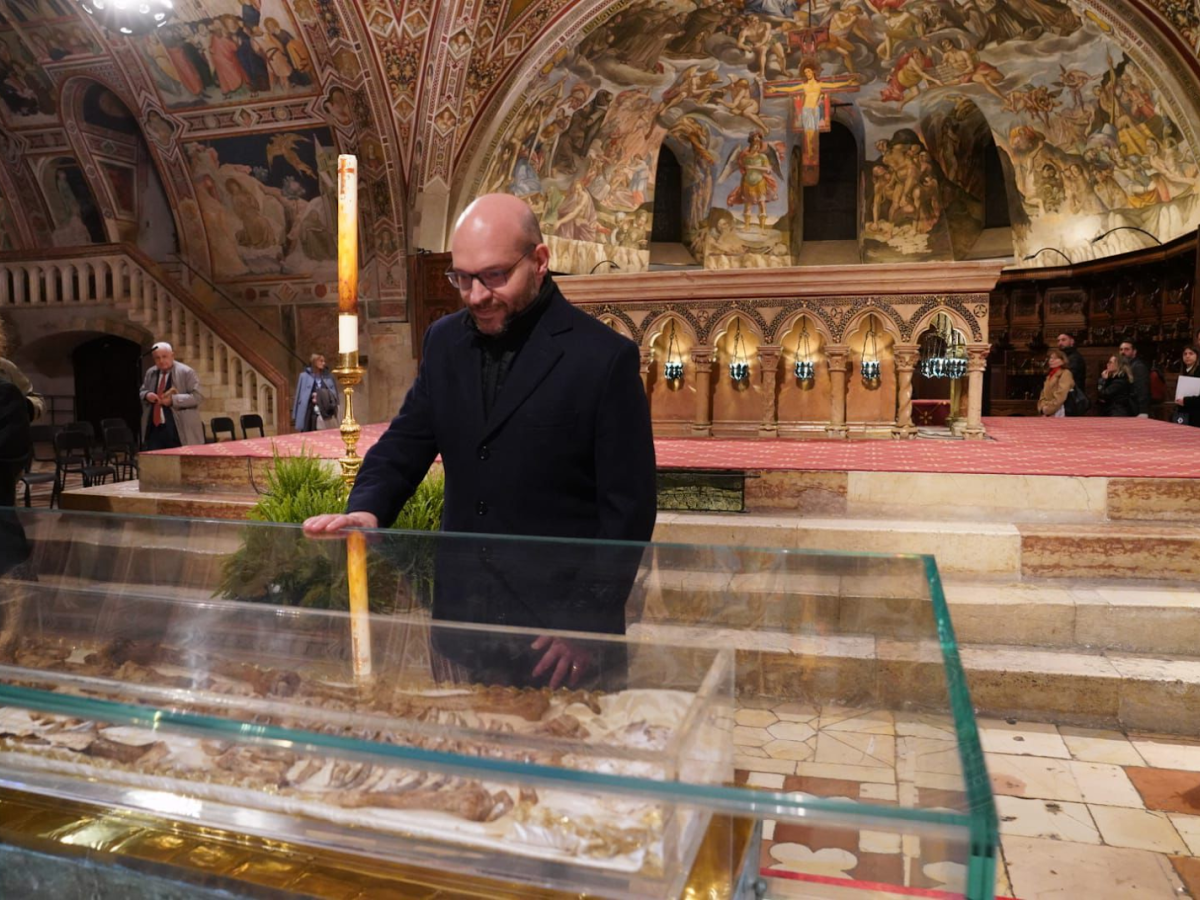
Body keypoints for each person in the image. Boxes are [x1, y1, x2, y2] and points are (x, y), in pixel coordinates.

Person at [304, 194, 657, 688]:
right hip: (464, 622)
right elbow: (407, 440)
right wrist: (368, 508)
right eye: (462, 277)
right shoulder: (444, 342)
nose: (475, 295)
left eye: (494, 276)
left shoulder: (603, 358)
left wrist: (585, 624)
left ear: (539, 261)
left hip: (557, 639)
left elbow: (629, 509)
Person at [140, 341, 204, 449]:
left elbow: (198, 397)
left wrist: (173, 400)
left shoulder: (186, 372)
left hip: (178, 428)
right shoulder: (151, 372)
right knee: (156, 462)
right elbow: (142, 391)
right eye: (157, 358)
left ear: (172, 355)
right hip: (154, 428)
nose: (161, 361)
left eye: (164, 356)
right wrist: (147, 395)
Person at [292, 353, 339, 432]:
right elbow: (299, 396)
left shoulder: (329, 376)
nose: (323, 363)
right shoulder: (304, 376)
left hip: (325, 410)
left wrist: (321, 395)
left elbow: (334, 394)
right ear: (314, 362)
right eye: (321, 361)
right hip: (309, 410)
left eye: (324, 361)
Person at [1037, 348, 1075, 417]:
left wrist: (1049, 409)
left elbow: (1061, 394)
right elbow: (1043, 393)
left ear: (1063, 361)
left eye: (1055, 358)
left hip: (1060, 410)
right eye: (1051, 358)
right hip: (1047, 410)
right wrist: (1042, 406)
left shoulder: (1065, 373)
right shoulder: (1049, 375)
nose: (1051, 360)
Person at [1118, 340, 1151, 417]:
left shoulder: (1138, 367)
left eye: (1126, 349)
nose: (1123, 352)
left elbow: (1142, 389)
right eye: (1121, 349)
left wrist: (1143, 411)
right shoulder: (1124, 366)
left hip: (1135, 409)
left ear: (1134, 352)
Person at [1056, 333, 1086, 407]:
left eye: (1063, 340)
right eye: (1058, 340)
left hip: (1072, 398)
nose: (1060, 343)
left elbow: (1067, 377)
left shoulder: (1074, 358)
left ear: (1072, 341)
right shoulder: (1066, 357)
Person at [1176, 345, 1200, 426]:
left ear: (1197, 356)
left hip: (1196, 413)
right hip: (1185, 412)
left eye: (1191, 353)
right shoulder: (1185, 371)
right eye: (1185, 354)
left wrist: (1185, 401)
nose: (1187, 356)